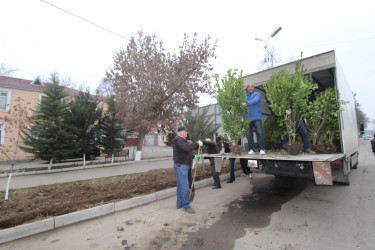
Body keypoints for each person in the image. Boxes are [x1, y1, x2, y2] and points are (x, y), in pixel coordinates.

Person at [172, 126, 201, 214]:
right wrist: (197, 143)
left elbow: (186, 152)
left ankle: (179, 203)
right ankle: (185, 205)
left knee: (181, 185)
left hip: (183, 166)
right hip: (181, 167)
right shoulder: (178, 140)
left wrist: (193, 157)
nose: (186, 133)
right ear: (180, 132)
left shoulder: (182, 140)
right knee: (184, 186)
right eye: (185, 131)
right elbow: (187, 148)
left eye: (186, 131)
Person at [242, 84, 265, 155]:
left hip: (256, 117)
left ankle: (261, 149)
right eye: (249, 87)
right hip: (247, 118)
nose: (250, 88)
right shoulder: (244, 97)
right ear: (247, 89)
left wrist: (246, 103)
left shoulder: (257, 94)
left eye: (252, 87)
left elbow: (255, 100)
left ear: (254, 88)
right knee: (249, 135)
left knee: (260, 133)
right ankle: (252, 149)